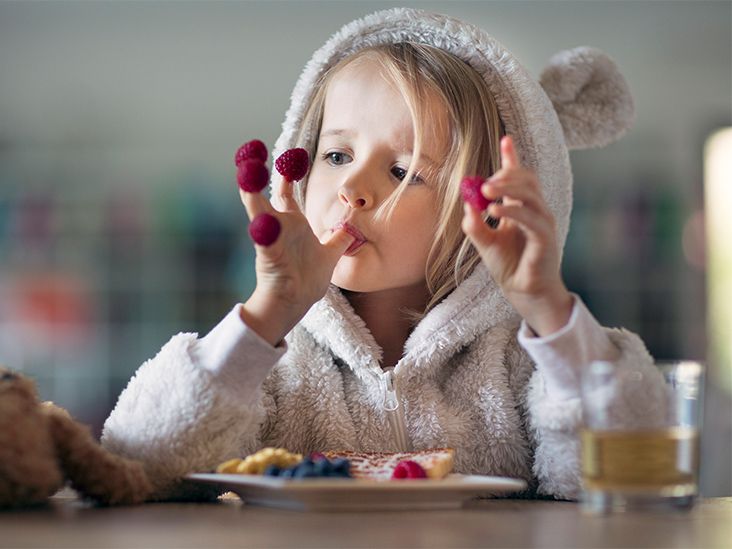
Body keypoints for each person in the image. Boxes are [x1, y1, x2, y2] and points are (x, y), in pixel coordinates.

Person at [101, 8, 666, 501]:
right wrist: (267, 313)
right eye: (337, 154)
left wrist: (547, 306)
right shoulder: (274, 366)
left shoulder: (520, 365)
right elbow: (138, 464)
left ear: (487, 206)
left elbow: (633, 471)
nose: (353, 190)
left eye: (402, 170)